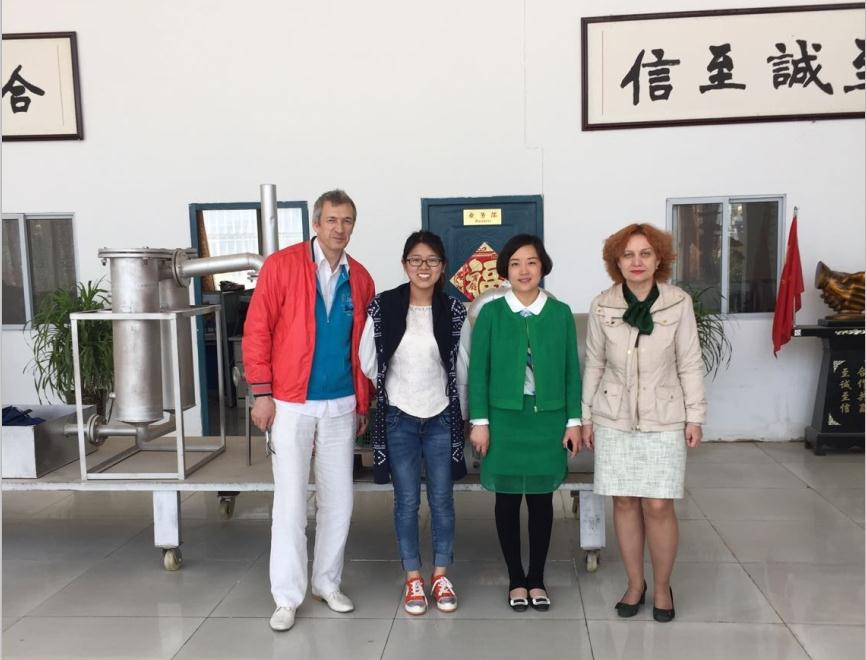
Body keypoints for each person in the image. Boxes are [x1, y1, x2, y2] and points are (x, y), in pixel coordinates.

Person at [243, 189, 375, 632]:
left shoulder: (361, 278)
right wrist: (262, 393)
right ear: (315, 224)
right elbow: (257, 331)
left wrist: (362, 401)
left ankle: (327, 583)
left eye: (347, 220)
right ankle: (287, 596)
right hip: (290, 403)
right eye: (332, 220)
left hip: (341, 403)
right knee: (291, 502)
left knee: (339, 500)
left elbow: (364, 348)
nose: (340, 228)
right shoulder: (281, 266)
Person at [580, 223, 706, 623]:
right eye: (628, 255)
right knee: (623, 501)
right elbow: (594, 363)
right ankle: (635, 584)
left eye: (645, 254)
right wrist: (586, 417)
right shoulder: (603, 305)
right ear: (616, 262)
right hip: (613, 415)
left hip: (664, 416)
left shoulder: (677, 303)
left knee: (658, 503)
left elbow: (689, 362)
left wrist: (695, 416)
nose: (637, 262)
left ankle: (663, 586)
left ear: (659, 259)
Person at [468, 234, 582, 612]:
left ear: (542, 266)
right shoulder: (492, 314)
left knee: (541, 501)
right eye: (515, 263)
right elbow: (478, 372)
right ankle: (516, 579)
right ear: (505, 270)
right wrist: (480, 422)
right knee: (506, 500)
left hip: (547, 420)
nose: (524, 270)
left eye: (531, 262)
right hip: (503, 421)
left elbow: (571, 371)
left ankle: (537, 578)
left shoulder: (560, 313)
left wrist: (573, 421)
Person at [359, 231, 470, 615]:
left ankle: (440, 575)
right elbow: (368, 359)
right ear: (405, 264)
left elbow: (462, 369)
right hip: (399, 418)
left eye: (432, 260)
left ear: (443, 267)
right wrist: (394, 388)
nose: (424, 267)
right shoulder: (384, 306)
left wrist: (464, 416)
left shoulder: (454, 310)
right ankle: (412, 578)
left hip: (440, 417)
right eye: (416, 260)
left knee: (442, 500)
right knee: (406, 502)